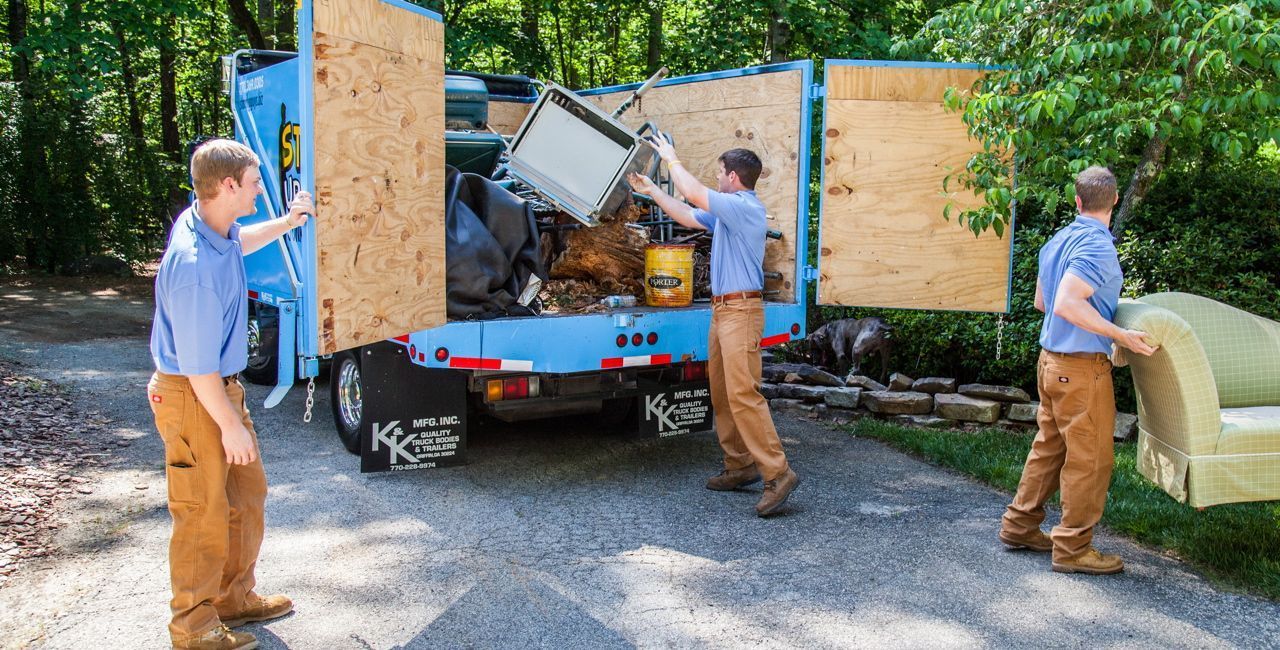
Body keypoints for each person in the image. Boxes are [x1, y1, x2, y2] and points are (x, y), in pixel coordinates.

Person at [148, 139, 314, 649]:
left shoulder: (213, 227)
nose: (260, 186)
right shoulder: (193, 268)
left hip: (219, 389)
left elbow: (240, 242)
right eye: (254, 180)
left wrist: (288, 223)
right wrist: (230, 424)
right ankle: (193, 627)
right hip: (195, 395)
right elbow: (197, 370)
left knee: (246, 496)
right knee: (201, 512)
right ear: (228, 186)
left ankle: (232, 597)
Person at [628, 135, 799, 517]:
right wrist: (654, 189)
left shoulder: (743, 208)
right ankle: (739, 466)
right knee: (721, 392)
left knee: (744, 394)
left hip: (741, 312)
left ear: (734, 177)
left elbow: (694, 193)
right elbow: (686, 214)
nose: (717, 178)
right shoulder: (726, 213)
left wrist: (671, 157)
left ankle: (778, 473)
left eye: (720, 173)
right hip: (723, 312)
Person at [998, 166, 1156, 575]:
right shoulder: (1099, 247)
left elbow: (1042, 302)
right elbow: (1067, 302)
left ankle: (1019, 526)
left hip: (1050, 363)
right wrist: (1119, 333)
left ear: (1077, 201)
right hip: (1081, 369)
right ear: (1115, 199)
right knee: (1091, 460)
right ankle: (1072, 549)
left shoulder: (1058, 240)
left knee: (1049, 448)